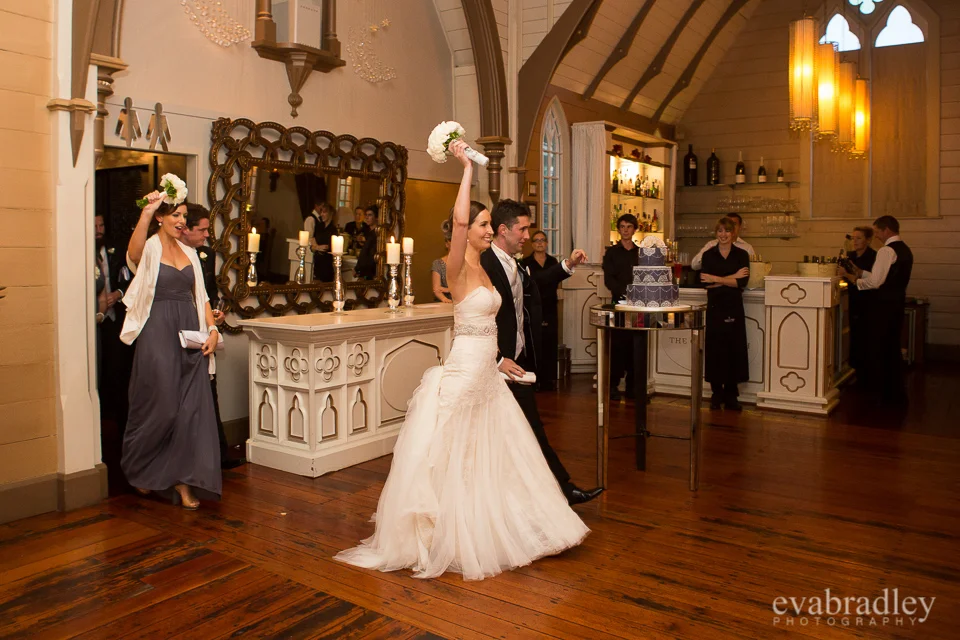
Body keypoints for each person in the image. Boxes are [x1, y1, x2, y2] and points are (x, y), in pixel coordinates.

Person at [335, 140, 589, 580]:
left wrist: (499, 362)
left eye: (490, 224)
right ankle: (451, 532)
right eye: (484, 224)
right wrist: (467, 167)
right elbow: (457, 220)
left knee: (495, 455)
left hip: (486, 375)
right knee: (453, 457)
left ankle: (500, 523)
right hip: (463, 375)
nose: (490, 231)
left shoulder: (487, 268)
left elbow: (491, 323)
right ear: (466, 230)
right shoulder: (455, 267)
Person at [481, 198, 602, 506]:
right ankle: (558, 490)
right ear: (503, 230)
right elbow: (480, 318)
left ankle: (554, 489)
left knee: (528, 429)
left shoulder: (514, 262)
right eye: (522, 229)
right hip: (496, 364)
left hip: (517, 360)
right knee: (513, 431)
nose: (527, 236)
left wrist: (567, 265)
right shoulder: (486, 263)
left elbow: (537, 282)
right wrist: (498, 358)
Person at [120, 191, 222, 510]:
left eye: (183, 216)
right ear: (161, 217)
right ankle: (140, 466)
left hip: (189, 333)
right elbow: (133, 254)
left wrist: (213, 330)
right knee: (162, 405)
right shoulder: (150, 247)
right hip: (157, 331)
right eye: (175, 215)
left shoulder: (190, 252)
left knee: (190, 409)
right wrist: (146, 212)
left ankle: (182, 480)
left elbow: (202, 297)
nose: (181, 221)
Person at [180, 203, 245, 470]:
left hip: (205, 331)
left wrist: (215, 314)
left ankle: (219, 453)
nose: (208, 235)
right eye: (203, 230)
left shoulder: (207, 254)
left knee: (210, 393)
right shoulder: (169, 254)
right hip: (182, 330)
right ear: (185, 229)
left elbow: (209, 292)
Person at [841, 215, 913, 404]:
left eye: (878, 232)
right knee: (891, 346)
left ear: (886, 230)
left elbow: (876, 282)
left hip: (883, 307)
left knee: (881, 347)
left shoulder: (886, 251)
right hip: (896, 304)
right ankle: (894, 389)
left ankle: (883, 390)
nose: (877, 236)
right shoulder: (905, 249)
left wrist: (854, 279)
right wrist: (861, 272)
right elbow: (883, 276)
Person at [700, 217, 751, 411]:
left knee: (734, 350)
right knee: (715, 350)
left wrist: (717, 279)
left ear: (733, 233)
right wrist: (731, 278)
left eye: (727, 231)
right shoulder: (708, 255)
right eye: (720, 231)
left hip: (734, 306)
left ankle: (731, 395)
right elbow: (706, 284)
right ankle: (716, 394)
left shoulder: (742, 255)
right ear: (716, 233)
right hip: (715, 307)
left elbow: (741, 283)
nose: (723, 235)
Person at [601, 213, 639, 400]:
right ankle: (613, 386)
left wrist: (637, 295)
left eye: (629, 226)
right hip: (618, 303)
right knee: (617, 345)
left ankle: (633, 387)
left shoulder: (640, 253)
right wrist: (624, 293)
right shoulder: (612, 253)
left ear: (634, 229)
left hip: (638, 305)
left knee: (635, 345)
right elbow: (609, 279)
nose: (625, 230)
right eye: (622, 226)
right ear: (619, 229)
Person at [521, 230, 561, 391]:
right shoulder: (525, 262)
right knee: (534, 342)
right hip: (533, 308)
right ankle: (534, 378)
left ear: (547, 243)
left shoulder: (553, 262)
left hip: (550, 306)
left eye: (542, 240)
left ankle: (548, 379)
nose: (539, 243)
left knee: (550, 342)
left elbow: (557, 280)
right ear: (532, 244)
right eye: (536, 240)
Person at [842, 226, 877, 383]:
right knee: (854, 335)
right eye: (853, 238)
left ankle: (866, 373)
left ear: (868, 240)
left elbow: (873, 281)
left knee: (865, 336)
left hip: (867, 301)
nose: (854, 241)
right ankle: (854, 369)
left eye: (859, 238)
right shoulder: (849, 256)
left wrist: (848, 275)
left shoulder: (873, 257)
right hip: (851, 299)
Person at [691, 212, 755, 270]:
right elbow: (694, 266)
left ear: (740, 227)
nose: (730, 227)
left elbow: (751, 272)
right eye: (726, 224)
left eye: (734, 224)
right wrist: (707, 255)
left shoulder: (747, 248)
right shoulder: (711, 244)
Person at [311, 202, 338, 281]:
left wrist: (316, 246)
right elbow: (312, 246)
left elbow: (326, 247)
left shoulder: (333, 230)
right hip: (317, 265)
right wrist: (317, 247)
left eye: (324, 212)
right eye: (321, 212)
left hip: (327, 267)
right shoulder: (319, 227)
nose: (322, 214)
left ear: (331, 214)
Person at [431, 221, 453, 303]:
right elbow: (436, 289)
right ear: (447, 244)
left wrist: (449, 289)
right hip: (443, 304)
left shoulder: (466, 262)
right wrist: (446, 300)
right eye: (451, 240)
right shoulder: (438, 264)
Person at [354, 206, 379, 279]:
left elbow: (369, 255)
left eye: (370, 215)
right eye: (366, 215)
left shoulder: (376, 234)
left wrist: (357, 269)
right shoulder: (368, 232)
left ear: (376, 217)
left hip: (370, 271)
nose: (367, 217)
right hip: (365, 270)